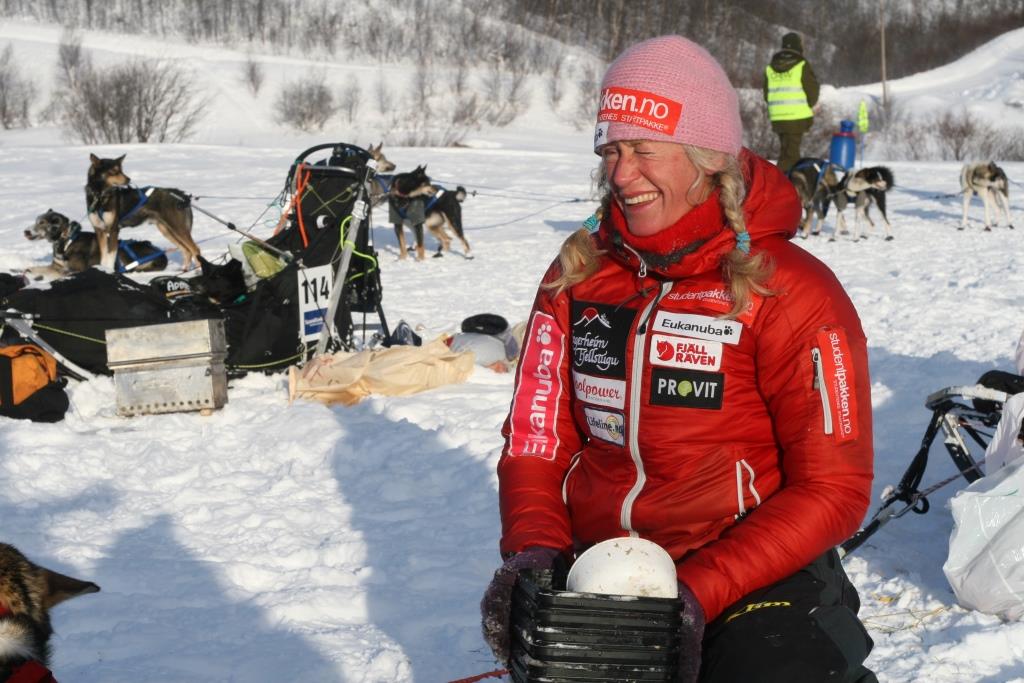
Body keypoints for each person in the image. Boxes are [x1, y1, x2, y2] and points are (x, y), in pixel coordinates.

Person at [480, 35, 877, 683]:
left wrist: (696, 591)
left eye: (644, 150)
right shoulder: (578, 272)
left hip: (752, 569)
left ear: (707, 158)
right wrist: (534, 551)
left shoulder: (792, 289)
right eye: (611, 150)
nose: (621, 174)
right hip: (607, 569)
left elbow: (833, 488)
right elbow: (536, 440)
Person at [763, 31, 819, 174]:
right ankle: (781, 183)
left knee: (786, 152)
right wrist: (809, 105)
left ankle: (785, 182)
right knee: (791, 157)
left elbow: (766, 94)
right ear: (798, 47)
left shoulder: (771, 67)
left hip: (778, 117)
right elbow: (812, 90)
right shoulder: (801, 64)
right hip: (796, 117)